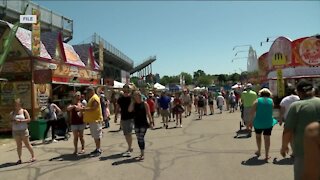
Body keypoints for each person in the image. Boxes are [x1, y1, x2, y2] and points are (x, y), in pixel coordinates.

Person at [281, 79, 320, 180]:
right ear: (313, 90)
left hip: (303, 152)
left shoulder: (296, 106)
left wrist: (284, 146)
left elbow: (288, 130)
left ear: (298, 92)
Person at [249, 88, 278, 161]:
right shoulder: (271, 101)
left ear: (260, 94)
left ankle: (259, 151)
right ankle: (267, 155)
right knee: (267, 138)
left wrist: (250, 122)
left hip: (258, 122)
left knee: (258, 137)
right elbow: (272, 111)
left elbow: (251, 112)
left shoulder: (257, 101)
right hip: (268, 122)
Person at [128, 91, 153, 161]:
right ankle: (141, 152)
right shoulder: (134, 104)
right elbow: (129, 110)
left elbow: (148, 113)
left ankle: (142, 154)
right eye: (134, 96)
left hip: (143, 123)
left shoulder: (144, 104)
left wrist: (151, 122)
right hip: (136, 123)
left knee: (141, 138)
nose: (135, 97)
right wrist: (132, 102)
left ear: (139, 96)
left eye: (136, 95)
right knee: (138, 138)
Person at [11, 98, 35, 164]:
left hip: (23, 130)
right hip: (16, 131)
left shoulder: (24, 111)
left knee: (27, 144)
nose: (16, 105)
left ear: (20, 104)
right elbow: (10, 120)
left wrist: (21, 121)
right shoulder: (12, 112)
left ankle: (33, 156)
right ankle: (19, 159)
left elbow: (29, 119)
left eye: (17, 104)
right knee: (19, 145)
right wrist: (14, 121)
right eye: (15, 104)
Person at [279, 85, 300, 156]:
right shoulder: (299, 98)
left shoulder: (284, 100)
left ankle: (294, 151)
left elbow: (282, 111)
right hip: (298, 119)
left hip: (288, 120)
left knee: (290, 137)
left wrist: (280, 119)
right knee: (298, 135)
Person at [81, 86, 103, 156]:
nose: (87, 94)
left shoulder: (95, 98)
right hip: (93, 120)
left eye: (87, 92)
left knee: (97, 135)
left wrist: (84, 109)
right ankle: (97, 148)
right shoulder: (92, 98)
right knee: (95, 135)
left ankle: (98, 149)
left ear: (91, 91)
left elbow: (94, 108)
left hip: (96, 120)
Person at [115, 84, 135, 155]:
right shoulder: (120, 99)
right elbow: (117, 107)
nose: (126, 90)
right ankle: (129, 147)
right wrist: (115, 116)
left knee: (129, 133)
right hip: (123, 118)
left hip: (130, 118)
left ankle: (130, 147)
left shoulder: (131, 98)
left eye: (127, 88)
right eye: (125, 88)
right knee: (126, 134)